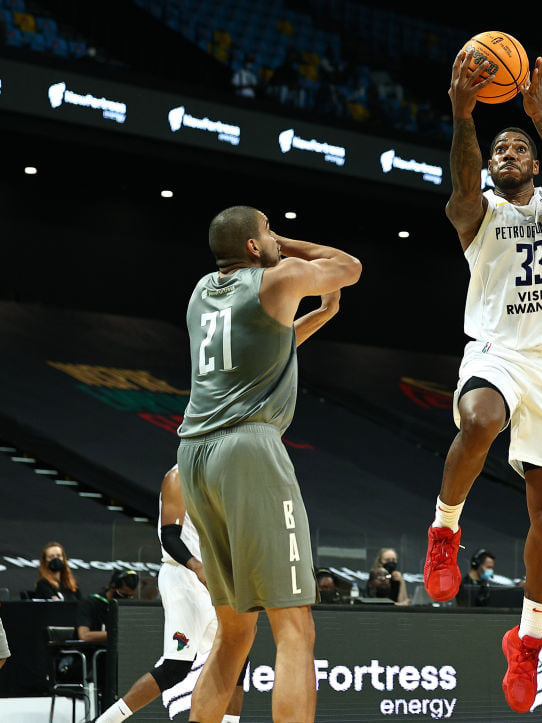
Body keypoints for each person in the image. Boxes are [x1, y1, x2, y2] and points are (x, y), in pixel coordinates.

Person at [423, 48, 542, 714]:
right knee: (482, 419)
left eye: (521, 147)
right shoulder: (479, 212)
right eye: (503, 149)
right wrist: (464, 116)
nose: (511, 152)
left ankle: (526, 641)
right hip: (497, 350)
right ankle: (445, 530)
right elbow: (463, 188)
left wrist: (538, 113)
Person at [176, 206, 361, 723]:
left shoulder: (200, 292)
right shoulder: (276, 277)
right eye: (268, 231)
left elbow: (253, 352)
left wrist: (314, 319)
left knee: (234, 634)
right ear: (255, 248)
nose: (276, 237)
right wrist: (288, 245)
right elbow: (349, 266)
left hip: (195, 455)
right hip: (248, 450)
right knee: (295, 626)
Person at [91, 466, 246, 723]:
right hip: (184, 576)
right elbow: (170, 536)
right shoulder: (179, 476)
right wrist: (198, 567)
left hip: (218, 579)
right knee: (175, 668)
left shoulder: (226, 477)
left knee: (237, 657)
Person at [76, 570, 139, 644]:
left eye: (130, 596)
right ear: (113, 586)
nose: (127, 599)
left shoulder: (127, 607)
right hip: (93, 651)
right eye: (124, 595)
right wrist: (120, 634)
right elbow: (84, 636)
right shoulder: (89, 603)